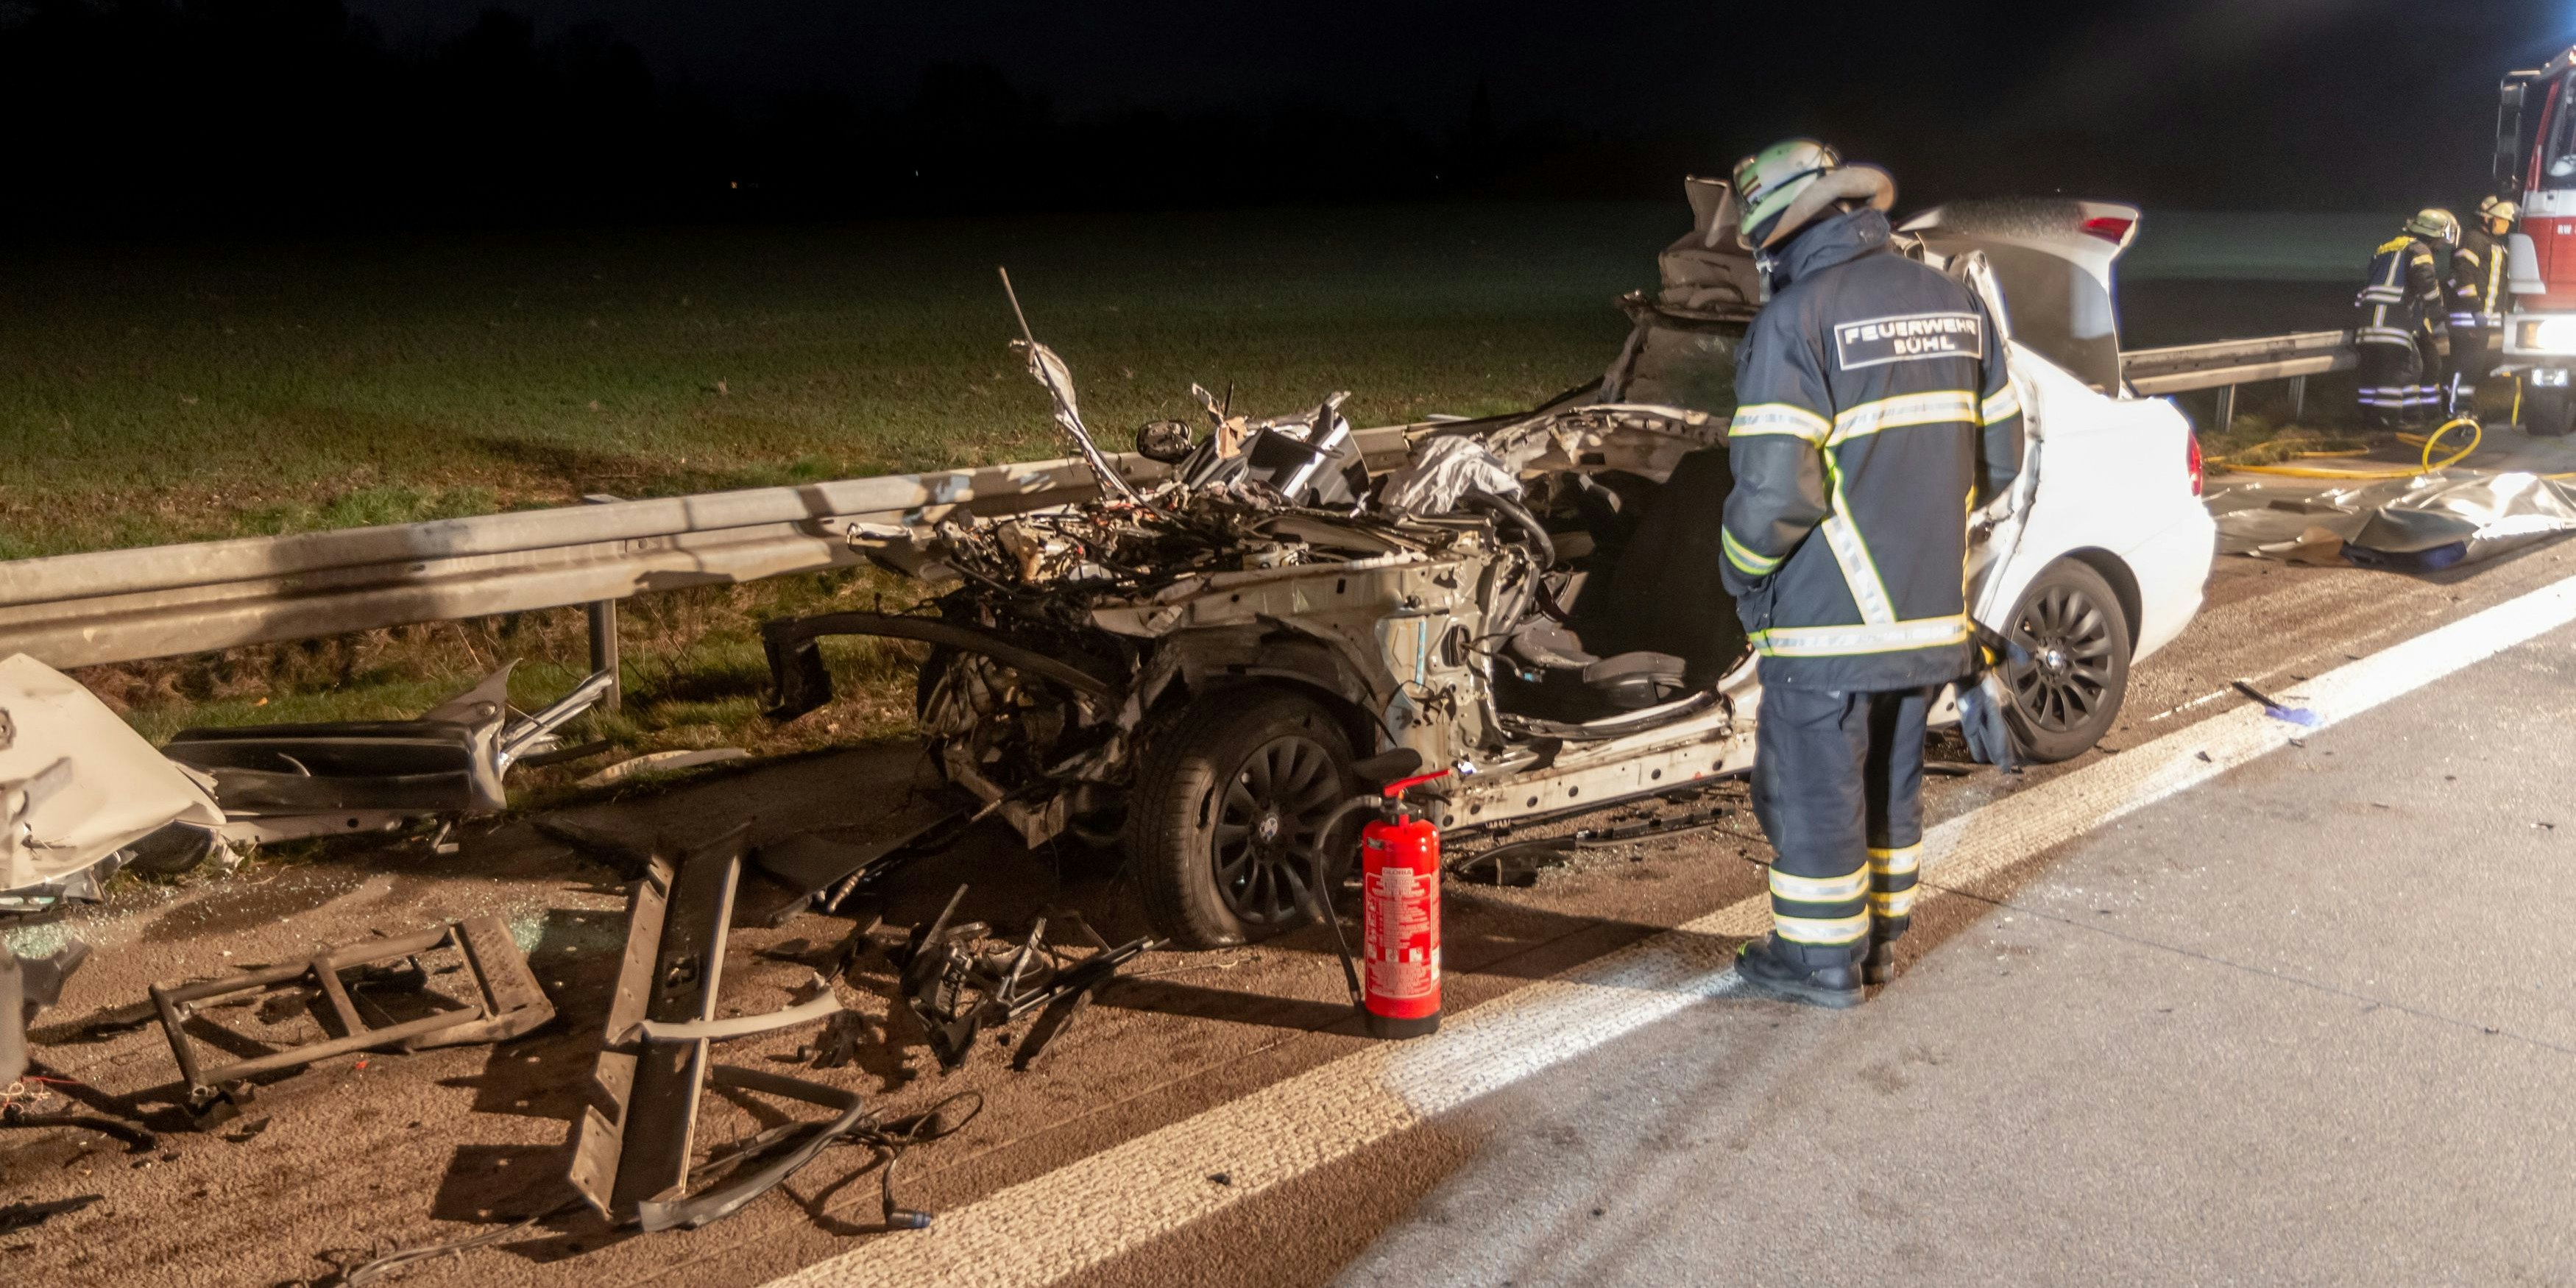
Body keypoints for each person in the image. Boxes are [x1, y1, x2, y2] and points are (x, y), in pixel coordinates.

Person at [1717, 139, 2024, 1008]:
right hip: (1929, 622)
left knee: (1814, 793)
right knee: (1889, 786)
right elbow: (2001, 462)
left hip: (1826, 624)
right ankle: (1879, 942)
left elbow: (1773, 494)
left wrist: (1739, 575)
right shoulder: (1957, 305)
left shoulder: (1795, 321)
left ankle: (1819, 961)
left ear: (1782, 234)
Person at [2355, 208, 2457, 428]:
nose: (2440, 244)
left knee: (2374, 371)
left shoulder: (2385, 248)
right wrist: (2439, 316)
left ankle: (2373, 418)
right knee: (2398, 370)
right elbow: (2427, 284)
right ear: (2432, 234)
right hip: (2393, 322)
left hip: (2367, 320)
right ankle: (2388, 419)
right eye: (2440, 238)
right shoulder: (2420, 250)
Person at [2449, 196, 2517, 408]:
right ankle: (2457, 408)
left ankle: (2463, 405)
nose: (2506, 225)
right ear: (2487, 219)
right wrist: (2475, 309)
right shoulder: (2474, 240)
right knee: (2467, 365)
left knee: (2474, 366)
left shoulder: (2495, 244)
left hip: (2480, 319)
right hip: (2469, 317)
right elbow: (2465, 276)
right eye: (2501, 220)